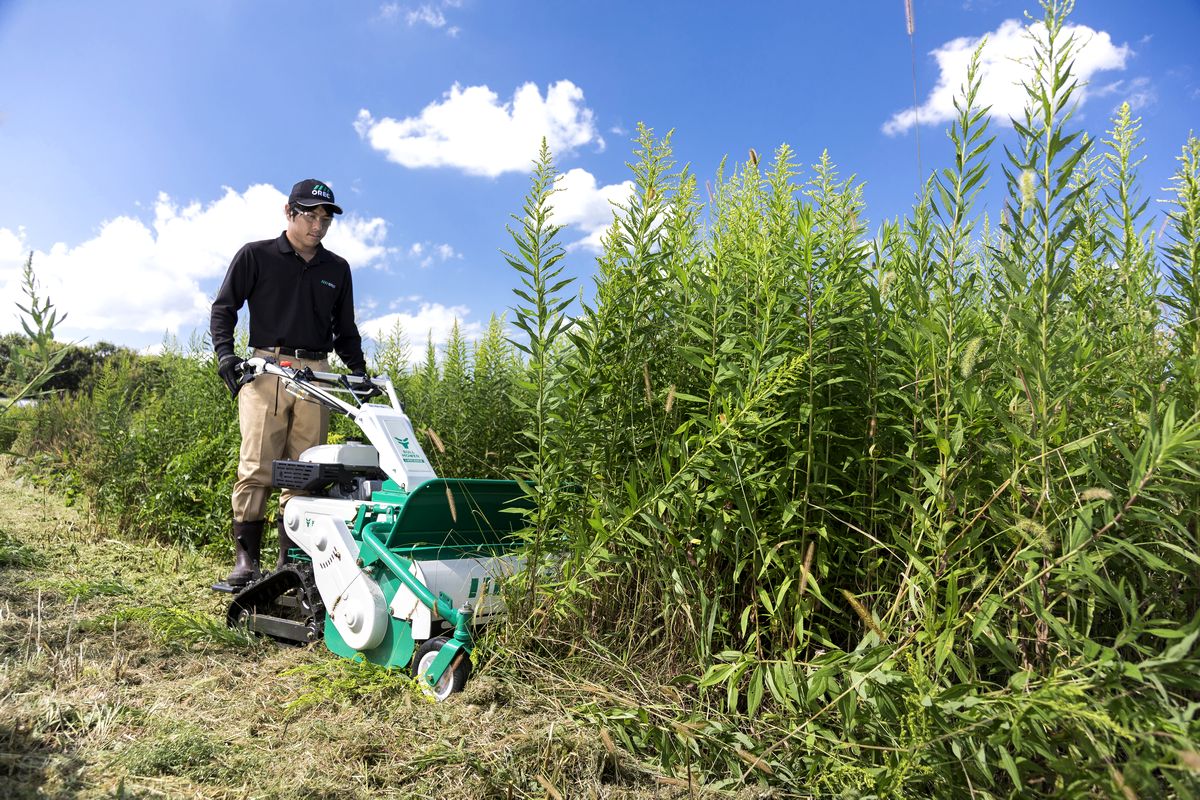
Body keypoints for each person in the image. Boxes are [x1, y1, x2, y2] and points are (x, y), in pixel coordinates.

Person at [209, 178, 369, 588]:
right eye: (310, 215)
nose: (318, 225)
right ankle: (246, 563)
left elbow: (344, 330)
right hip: (266, 370)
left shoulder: (337, 269)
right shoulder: (256, 256)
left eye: (325, 218)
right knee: (257, 467)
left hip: (315, 375)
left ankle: (290, 566)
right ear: (289, 212)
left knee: (307, 472)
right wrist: (225, 354)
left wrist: (359, 373)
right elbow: (224, 309)